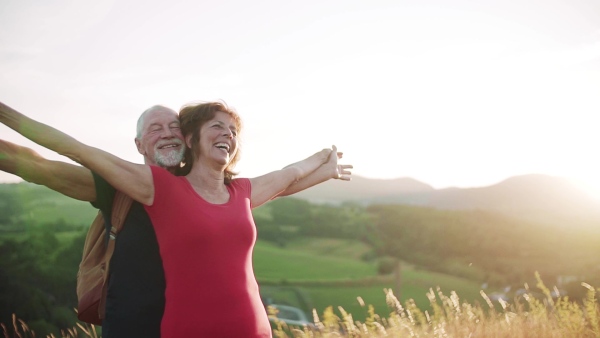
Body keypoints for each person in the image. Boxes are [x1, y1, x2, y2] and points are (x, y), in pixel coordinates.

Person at [0, 100, 352, 337]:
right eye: (155, 129)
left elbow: (279, 182)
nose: (167, 132)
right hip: (135, 328)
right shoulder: (120, 186)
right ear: (139, 145)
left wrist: (325, 168)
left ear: (186, 138)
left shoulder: (215, 188)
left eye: (173, 126)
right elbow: (42, 164)